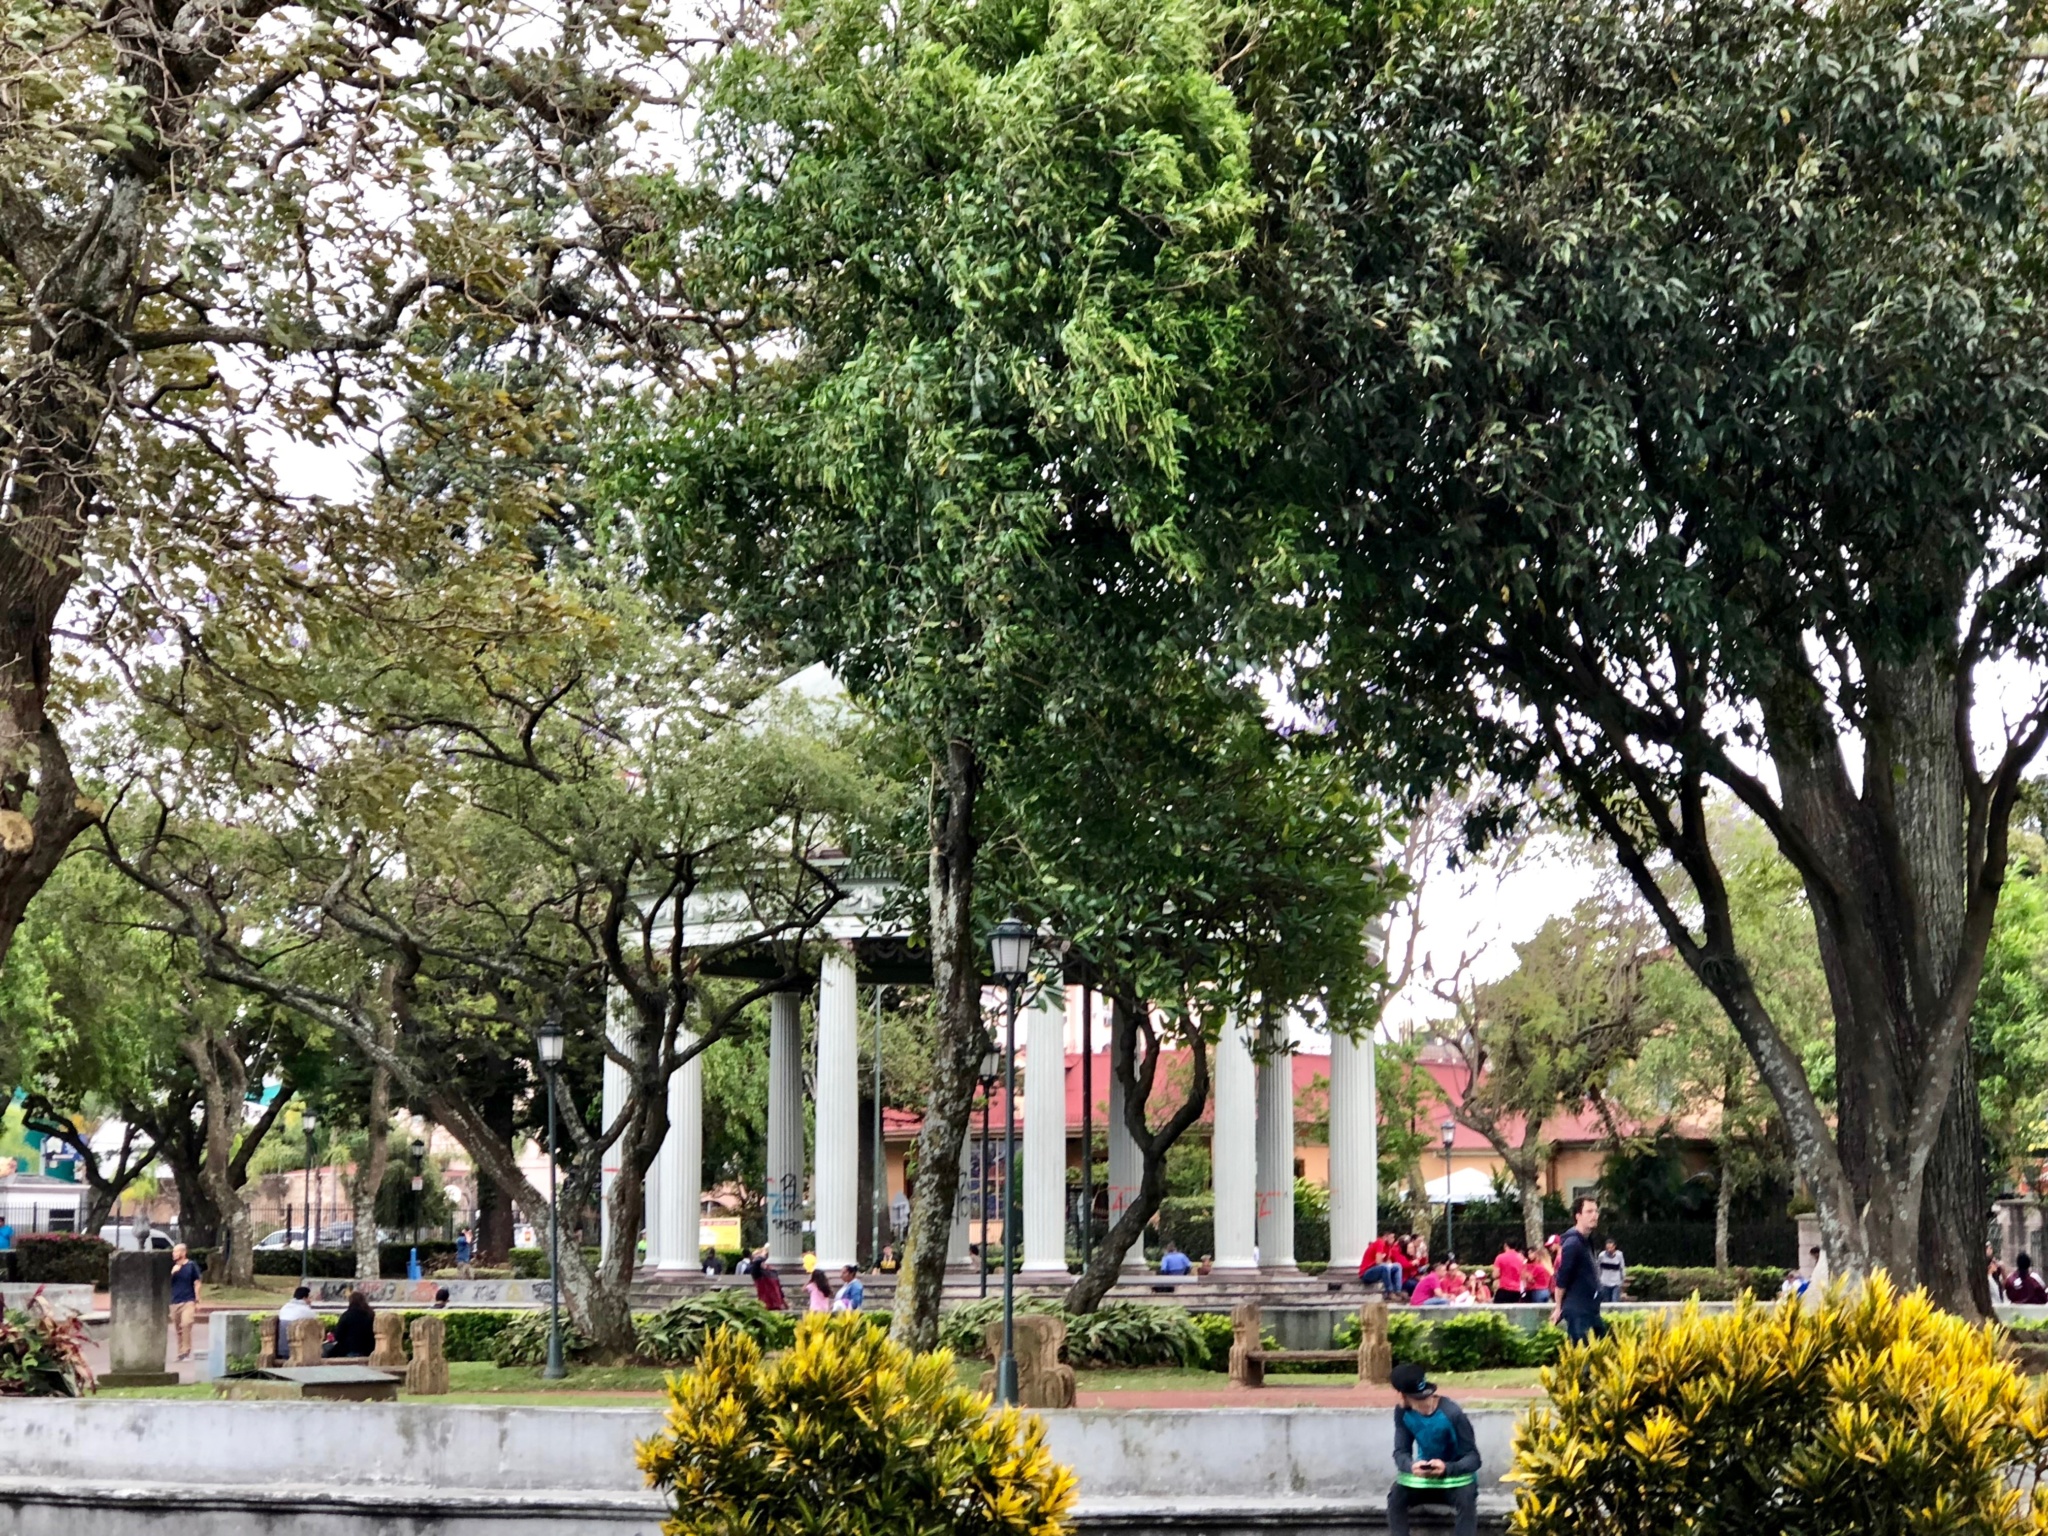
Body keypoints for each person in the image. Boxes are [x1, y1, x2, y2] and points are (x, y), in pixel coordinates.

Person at [1386, 1361, 1481, 1536]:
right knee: (1396, 1495)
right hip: (1425, 1480)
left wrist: (1447, 1468)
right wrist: (1410, 1466)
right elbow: (1400, 1451)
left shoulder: (1452, 1414)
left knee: (1467, 1498)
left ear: (1402, 1395)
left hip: (1456, 1480)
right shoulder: (1402, 1412)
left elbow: (1474, 1458)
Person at [1551, 1197, 1606, 1344]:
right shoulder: (1573, 1243)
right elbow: (1562, 1277)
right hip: (1578, 1310)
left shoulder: (1586, 1240)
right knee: (1582, 1356)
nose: (1594, 1215)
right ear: (1578, 1216)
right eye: (1589, 1211)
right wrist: (1558, 1307)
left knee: (1605, 1350)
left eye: (1596, 1211)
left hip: (1589, 1309)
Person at [168, 1242, 203, 1361]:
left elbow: (197, 1282)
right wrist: (172, 1273)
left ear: (183, 1253)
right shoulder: (171, 1267)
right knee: (178, 1329)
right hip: (174, 1301)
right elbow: (164, 1284)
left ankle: (186, 1351)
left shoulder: (191, 1265)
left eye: (176, 1251)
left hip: (188, 1300)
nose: (174, 1254)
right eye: (173, 1252)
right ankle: (180, 1353)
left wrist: (197, 1298)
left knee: (186, 1324)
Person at [324, 1290, 376, 1358]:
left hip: (349, 1350)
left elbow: (338, 1335)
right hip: (368, 1350)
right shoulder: (370, 1315)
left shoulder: (347, 1315)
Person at [1361, 1232, 1409, 1297]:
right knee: (1385, 1267)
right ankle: (1389, 1292)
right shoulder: (1380, 1242)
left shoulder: (1388, 1246)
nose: (1393, 1239)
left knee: (1397, 1266)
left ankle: (1398, 1291)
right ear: (1385, 1237)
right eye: (1391, 1237)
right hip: (1367, 1272)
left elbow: (1388, 1261)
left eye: (1394, 1237)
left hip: (1378, 1270)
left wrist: (1389, 1264)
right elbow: (1378, 1262)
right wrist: (1388, 1264)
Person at [275, 1284, 318, 1356]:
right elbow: (316, 1324)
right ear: (305, 1298)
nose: (311, 1301)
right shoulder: (306, 1311)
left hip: (281, 1348)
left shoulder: (285, 1307)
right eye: (310, 1298)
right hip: (297, 1351)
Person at [1491, 1239, 1525, 1304]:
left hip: (1504, 1289)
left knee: (1498, 1311)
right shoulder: (1521, 1258)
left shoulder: (1500, 1257)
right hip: (1517, 1290)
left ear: (1505, 1245)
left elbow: (1495, 1275)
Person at [1596, 1238, 1626, 1304]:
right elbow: (1598, 1268)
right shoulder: (1601, 1255)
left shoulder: (1619, 1255)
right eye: (1608, 1248)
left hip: (1616, 1283)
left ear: (1614, 1247)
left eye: (1611, 1247)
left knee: (1615, 1302)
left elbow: (1622, 1268)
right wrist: (1599, 1280)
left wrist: (1622, 1280)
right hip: (1605, 1282)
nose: (1609, 1249)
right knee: (1606, 1302)